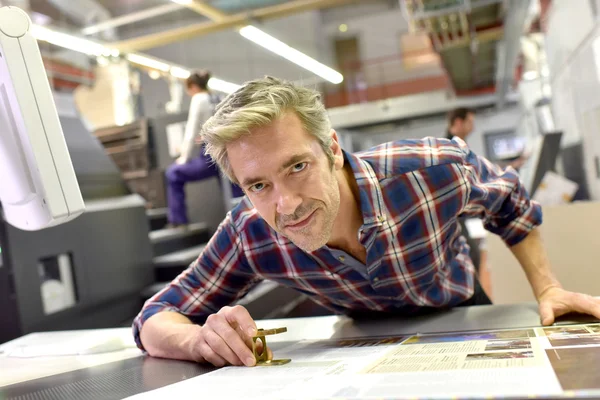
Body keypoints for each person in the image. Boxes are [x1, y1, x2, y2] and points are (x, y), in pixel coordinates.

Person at [134, 76, 600, 368]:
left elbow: (510, 202)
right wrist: (198, 340)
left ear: (332, 148)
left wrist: (547, 288)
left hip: (461, 307)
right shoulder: (250, 233)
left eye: (297, 166)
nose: (287, 204)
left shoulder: (432, 170)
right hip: (360, 335)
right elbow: (153, 318)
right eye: (258, 185)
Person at [165, 70, 243, 227]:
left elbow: (191, 131)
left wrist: (183, 158)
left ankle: (178, 220)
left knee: (173, 173)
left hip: (210, 155)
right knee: (234, 190)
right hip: (228, 152)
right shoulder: (218, 97)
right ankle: (245, 218)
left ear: (193, 86)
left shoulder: (198, 99)